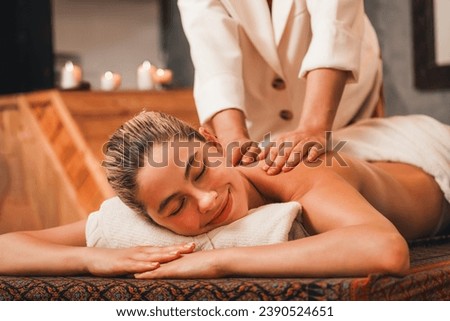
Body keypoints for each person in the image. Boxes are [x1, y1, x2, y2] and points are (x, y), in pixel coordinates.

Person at [0, 111, 448, 279]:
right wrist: (86, 258)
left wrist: (214, 261)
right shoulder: (139, 215)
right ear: (149, 219)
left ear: (214, 144)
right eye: (176, 207)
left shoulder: (292, 171)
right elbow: (6, 248)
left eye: (202, 169)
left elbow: (385, 250)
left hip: (424, 152)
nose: (207, 201)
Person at [177, 0, 384, 174]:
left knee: (363, 177)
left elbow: (333, 22)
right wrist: (232, 135)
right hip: (259, 114)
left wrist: (313, 127)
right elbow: (212, 47)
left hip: (344, 97)